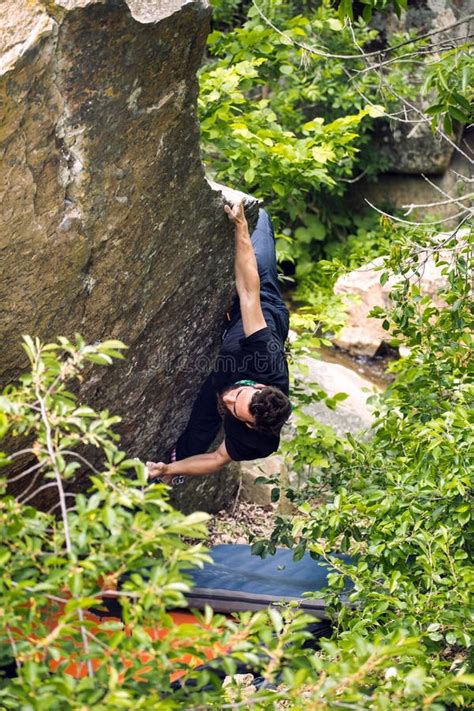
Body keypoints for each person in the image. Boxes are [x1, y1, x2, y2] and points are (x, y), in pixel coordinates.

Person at [146, 200, 291, 483]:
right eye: (239, 394)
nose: (228, 397)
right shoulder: (265, 358)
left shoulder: (258, 441)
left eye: (235, 408)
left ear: (251, 425)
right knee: (260, 217)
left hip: (229, 370)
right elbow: (249, 291)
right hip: (264, 306)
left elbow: (216, 459)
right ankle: (255, 218)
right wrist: (241, 225)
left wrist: (168, 469)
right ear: (259, 385)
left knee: (199, 432)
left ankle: (166, 478)